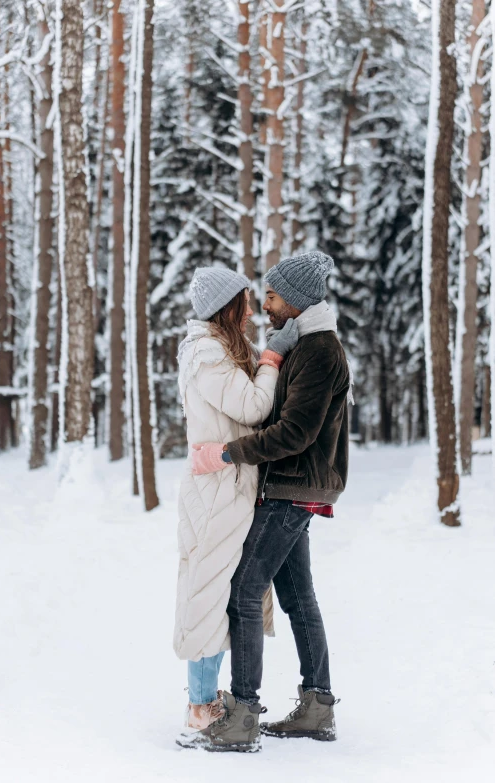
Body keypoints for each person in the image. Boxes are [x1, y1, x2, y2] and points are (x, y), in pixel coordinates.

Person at [184, 251, 351, 753]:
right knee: (297, 597)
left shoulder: (319, 350)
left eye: (273, 296)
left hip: (293, 485)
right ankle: (317, 706)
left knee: (242, 591)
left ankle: (242, 714)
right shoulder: (306, 344)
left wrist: (229, 452)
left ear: (295, 302)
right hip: (291, 484)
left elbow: (295, 431)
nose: (266, 305)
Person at [173, 266, 299, 737]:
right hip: (217, 493)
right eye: (243, 302)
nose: (250, 310)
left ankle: (204, 702)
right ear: (224, 307)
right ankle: (201, 708)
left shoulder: (220, 351)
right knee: (207, 593)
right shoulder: (208, 355)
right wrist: (271, 360)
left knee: (217, 592)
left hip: (227, 487)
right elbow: (252, 408)